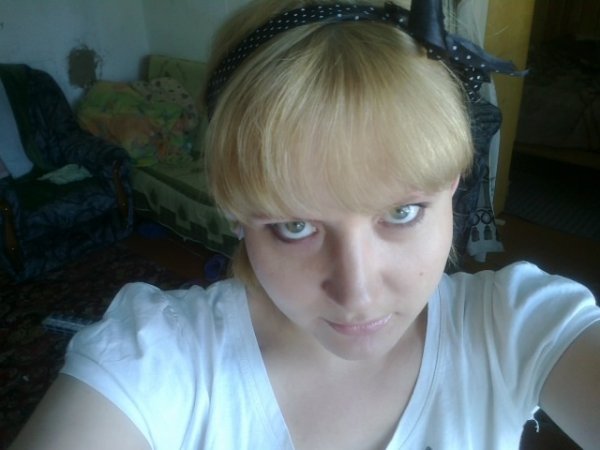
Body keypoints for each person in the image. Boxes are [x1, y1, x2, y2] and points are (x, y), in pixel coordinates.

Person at [10, 0, 600, 449]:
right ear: (235, 214)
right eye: (294, 225)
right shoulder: (156, 358)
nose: (357, 292)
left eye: (401, 213)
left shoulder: (519, 327)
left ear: (453, 187)